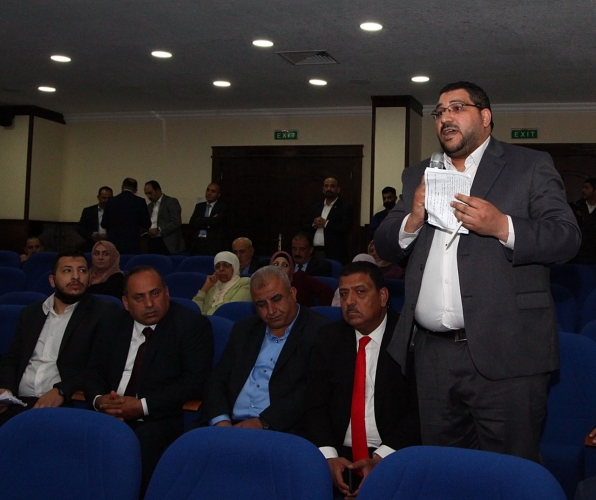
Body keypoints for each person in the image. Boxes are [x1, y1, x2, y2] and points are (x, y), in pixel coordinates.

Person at [375, 81, 581, 462]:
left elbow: (567, 237)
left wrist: (503, 225)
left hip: (508, 353)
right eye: (439, 112)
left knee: (508, 472)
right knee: (445, 471)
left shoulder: (529, 166)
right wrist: (413, 218)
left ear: (485, 117)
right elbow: (385, 245)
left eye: (457, 108)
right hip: (433, 356)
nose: (445, 118)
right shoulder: (418, 174)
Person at [84, 266, 214, 495]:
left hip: (158, 417)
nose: (150, 303)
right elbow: (93, 371)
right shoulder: (111, 324)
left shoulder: (191, 325)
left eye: (155, 293)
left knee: (140, 445)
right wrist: (99, 400)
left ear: (167, 293)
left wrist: (141, 406)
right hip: (108, 413)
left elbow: (194, 381)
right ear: (126, 303)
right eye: (139, 297)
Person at [304, 262, 420, 498]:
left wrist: (382, 458)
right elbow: (314, 405)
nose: (350, 302)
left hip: (394, 452)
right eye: (344, 294)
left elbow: (419, 411)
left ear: (383, 296)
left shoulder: (411, 339)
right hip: (339, 453)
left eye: (360, 292)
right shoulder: (328, 338)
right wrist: (329, 456)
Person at [201, 266, 329, 433]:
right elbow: (217, 379)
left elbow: (311, 391)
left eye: (277, 299)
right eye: (261, 304)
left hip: (281, 429)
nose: (271, 311)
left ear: (293, 293)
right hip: (229, 425)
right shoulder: (244, 330)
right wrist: (221, 421)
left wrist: (264, 422)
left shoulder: (320, 331)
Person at [0, 249, 117, 425]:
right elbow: (12, 359)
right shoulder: (31, 313)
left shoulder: (103, 313)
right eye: (67, 270)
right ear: (52, 280)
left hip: (65, 402)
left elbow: (100, 364)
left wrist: (62, 390)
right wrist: (5, 389)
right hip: (17, 401)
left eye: (82, 270)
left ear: (89, 278)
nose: (76, 276)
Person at [303, 177, 352, 265]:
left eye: (332, 186)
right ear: (323, 189)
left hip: (334, 253)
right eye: (326, 186)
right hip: (315, 251)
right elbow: (305, 226)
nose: (329, 189)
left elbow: (345, 228)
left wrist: (326, 224)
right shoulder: (316, 207)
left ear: (338, 189)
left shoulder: (344, 207)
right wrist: (314, 224)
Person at [101, 178, 151, 254]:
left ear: (122, 187)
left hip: (114, 242)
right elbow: (146, 224)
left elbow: (104, 223)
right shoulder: (140, 202)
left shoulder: (111, 202)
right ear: (136, 190)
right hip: (132, 243)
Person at [270, 251, 334, 307]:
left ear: (291, 268)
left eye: (285, 265)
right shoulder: (265, 285)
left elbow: (327, 291)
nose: (280, 268)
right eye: (276, 264)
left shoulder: (300, 278)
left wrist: (317, 311)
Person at [143, 180, 186, 255]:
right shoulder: (149, 206)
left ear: (158, 190)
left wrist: (159, 230)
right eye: (146, 194)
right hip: (152, 241)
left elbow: (176, 222)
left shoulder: (171, 202)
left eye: (150, 193)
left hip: (167, 242)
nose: (148, 196)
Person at [189, 183, 229, 256]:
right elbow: (192, 223)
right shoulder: (199, 206)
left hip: (213, 243)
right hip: (198, 242)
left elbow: (216, 222)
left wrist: (200, 220)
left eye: (213, 191)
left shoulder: (222, 206)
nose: (209, 193)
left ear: (218, 194)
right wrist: (210, 220)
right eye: (208, 190)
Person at [76, 186, 113, 252]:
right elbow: (80, 228)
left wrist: (108, 235)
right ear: (98, 197)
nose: (106, 201)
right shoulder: (88, 211)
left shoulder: (116, 212)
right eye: (104, 198)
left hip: (111, 245)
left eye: (109, 198)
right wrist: (91, 235)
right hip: (91, 245)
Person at [570, 178, 596, 264]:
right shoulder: (576, 207)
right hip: (577, 255)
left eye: (587, 188)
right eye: (583, 187)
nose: (583, 190)